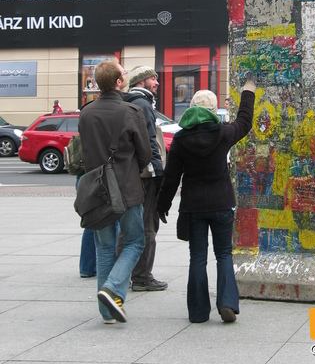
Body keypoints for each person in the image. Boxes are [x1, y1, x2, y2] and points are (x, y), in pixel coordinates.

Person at [156, 76, 256, 324]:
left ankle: (199, 312)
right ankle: (227, 303)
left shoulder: (180, 139)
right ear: (213, 111)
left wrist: (162, 205)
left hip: (193, 206)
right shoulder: (222, 133)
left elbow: (171, 178)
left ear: (191, 110)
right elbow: (244, 122)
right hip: (222, 203)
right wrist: (247, 92)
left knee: (197, 257)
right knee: (223, 254)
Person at [78, 59, 151, 324]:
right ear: (118, 82)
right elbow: (145, 155)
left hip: (97, 191)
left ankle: (107, 312)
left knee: (105, 248)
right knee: (135, 242)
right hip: (127, 190)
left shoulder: (85, 113)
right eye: (123, 74)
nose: (126, 75)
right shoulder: (131, 111)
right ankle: (112, 288)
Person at [122, 65, 167, 292]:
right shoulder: (143, 105)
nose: (157, 82)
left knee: (130, 225)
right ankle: (142, 276)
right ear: (141, 82)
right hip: (147, 174)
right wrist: (159, 175)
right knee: (148, 225)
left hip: (133, 173)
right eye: (152, 78)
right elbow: (150, 144)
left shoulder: (129, 102)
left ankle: (122, 271)